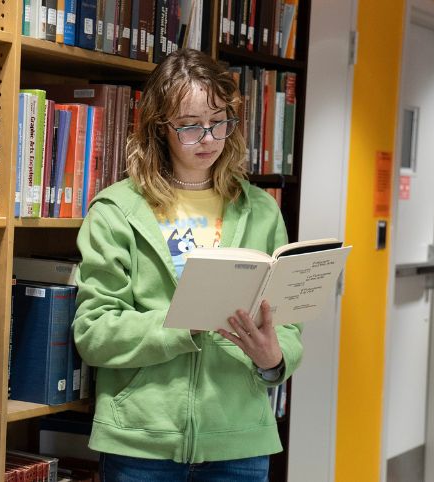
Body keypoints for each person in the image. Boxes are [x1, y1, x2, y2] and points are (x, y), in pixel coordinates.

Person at [72, 48, 302, 482]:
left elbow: (287, 327)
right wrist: (185, 324)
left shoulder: (260, 210)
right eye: (191, 126)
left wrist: (274, 359)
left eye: (219, 122)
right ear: (160, 127)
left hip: (240, 440)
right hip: (142, 441)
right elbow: (94, 332)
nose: (209, 138)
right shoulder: (117, 210)